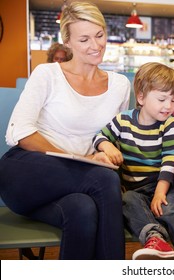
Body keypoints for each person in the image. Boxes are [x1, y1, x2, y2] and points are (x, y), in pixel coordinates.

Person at [0, 2, 131, 260]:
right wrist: (84, 162)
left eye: (99, 35)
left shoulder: (120, 85)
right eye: (84, 39)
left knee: (82, 210)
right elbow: (20, 132)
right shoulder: (47, 74)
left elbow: (111, 135)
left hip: (78, 189)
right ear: (67, 42)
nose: (95, 45)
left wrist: (102, 149)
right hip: (26, 173)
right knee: (104, 179)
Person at [93, 62, 174, 260]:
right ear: (141, 97)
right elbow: (99, 137)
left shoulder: (170, 124)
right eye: (162, 99)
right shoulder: (123, 121)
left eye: (173, 100)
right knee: (127, 202)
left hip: (164, 183)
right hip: (133, 189)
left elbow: (169, 161)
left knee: (171, 208)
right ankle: (155, 238)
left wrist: (160, 192)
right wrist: (107, 145)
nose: (168, 106)